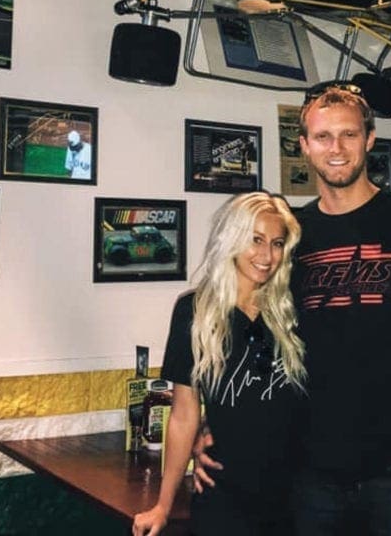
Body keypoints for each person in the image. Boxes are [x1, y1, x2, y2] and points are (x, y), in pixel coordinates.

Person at [196, 82, 391, 536]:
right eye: (323, 137)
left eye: (349, 135)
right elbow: (253, 339)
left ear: (370, 140)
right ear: (304, 146)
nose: (337, 148)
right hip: (310, 475)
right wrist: (218, 427)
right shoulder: (289, 236)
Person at [132, 191, 307, 536]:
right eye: (255, 240)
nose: (266, 255)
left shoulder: (294, 308)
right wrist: (163, 506)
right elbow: (184, 415)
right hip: (225, 494)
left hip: (298, 493)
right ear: (233, 239)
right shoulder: (194, 312)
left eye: (276, 243)